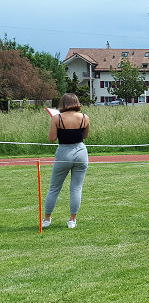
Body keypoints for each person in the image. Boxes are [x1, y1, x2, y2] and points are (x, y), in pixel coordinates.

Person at [42, 93, 91, 229]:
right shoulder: (84, 117)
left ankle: (47, 219)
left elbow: (52, 138)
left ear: (62, 103)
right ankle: (72, 220)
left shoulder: (57, 118)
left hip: (64, 152)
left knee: (54, 188)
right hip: (81, 152)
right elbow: (85, 136)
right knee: (76, 188)